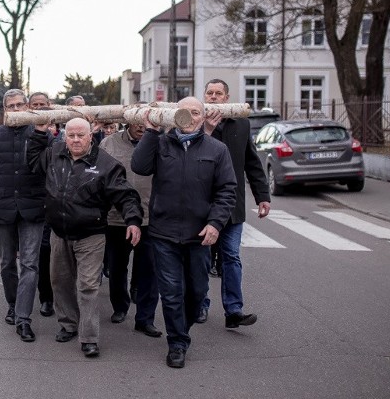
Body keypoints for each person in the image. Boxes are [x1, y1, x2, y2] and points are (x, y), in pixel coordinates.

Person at [131, 97, 236, 369]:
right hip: (164, 233)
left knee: (198, 292)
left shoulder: (217, 149)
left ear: (203, 118)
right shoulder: (161, 143)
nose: (190, 116)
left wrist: (215, 224)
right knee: (171, 291)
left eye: (196, 112)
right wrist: (152, 131)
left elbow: (227, 190)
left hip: (200, 235)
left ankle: (182, 328)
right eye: (184, 112)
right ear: (174, 115)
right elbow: (139, 167)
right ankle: (177, 343)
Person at [28, 117, 143, 359]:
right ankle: (69, 324)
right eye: (71, 135)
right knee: (59, 281)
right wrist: (38, 132)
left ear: (91, 136)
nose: (76, 140)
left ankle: (89, 338)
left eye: (81, 135)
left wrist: (133, 220)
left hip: (91, 235)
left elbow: (126, 196)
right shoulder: (54, 153)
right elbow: (33, 164)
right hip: (60, 232)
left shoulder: (106, 164)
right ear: (64, 137)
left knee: (88, 286)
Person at [0, 89, 47, 343]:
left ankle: (24, 318)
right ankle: (13, 304)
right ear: (5, 109)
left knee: (30, 263)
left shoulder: (39, 135)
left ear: (27, 107)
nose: (16, 109)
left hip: (33, 209)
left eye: (19, 105)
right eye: (11, 106)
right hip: (3, 208)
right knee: (6, 262)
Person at [198, 79, 270, 327]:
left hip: (232, 207)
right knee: (202, 260)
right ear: (204, 96)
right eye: (210, 93)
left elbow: (251, 161)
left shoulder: (241, 122)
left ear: (227, 97)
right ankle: (200, 306)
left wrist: (262, 196)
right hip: (202, 206)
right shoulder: (194, 123)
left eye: (219, 93)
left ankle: (234, 311)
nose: (214, 97)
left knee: (231, 257)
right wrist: (205, 128)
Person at [99, 122, 161, 337]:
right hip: (117, 219)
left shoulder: (160, 142)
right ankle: (120, 307)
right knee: (117, 267)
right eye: (138, 122)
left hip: (150, 217)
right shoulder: (109, 143)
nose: (142, 127)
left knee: (149, 270)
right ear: (129, 121)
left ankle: (145, 318)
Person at [28, 91, 55, 317]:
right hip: (37, 201)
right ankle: (46, 297)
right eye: (35, 104)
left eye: (43, 104)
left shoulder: (62, 133)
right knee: (43, 251)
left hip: (61, 202)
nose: (39, 108)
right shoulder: (27, 131)